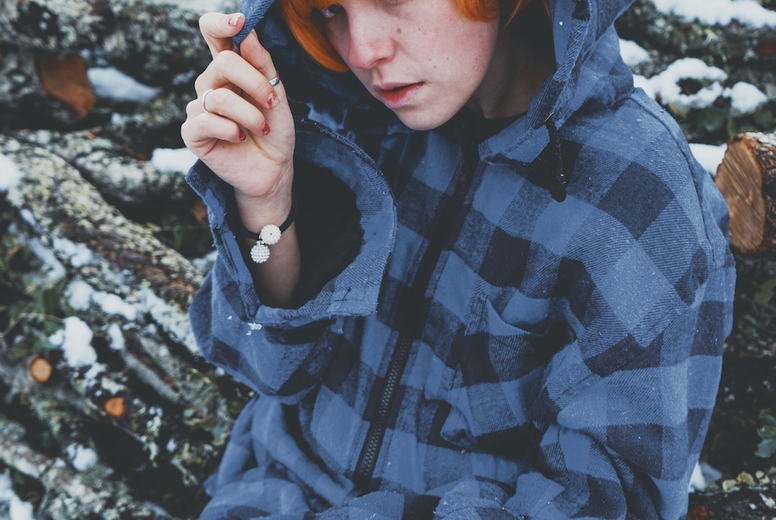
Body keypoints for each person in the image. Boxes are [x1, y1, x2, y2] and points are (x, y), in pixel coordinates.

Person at [180, 0, 736, 516]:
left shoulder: (636, 197)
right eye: (332, 9)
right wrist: (264, 202)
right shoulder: (346, 116)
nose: (361, 52)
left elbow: (606, 497)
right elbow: (264, 370)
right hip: (266, 496)